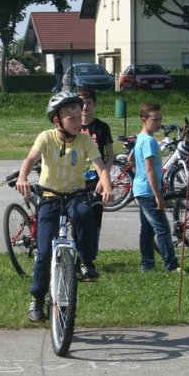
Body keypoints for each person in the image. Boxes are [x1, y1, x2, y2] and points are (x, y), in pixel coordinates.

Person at [16, 91, 112, 322]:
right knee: (43, 253)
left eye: (80, 117)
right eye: (72, 118)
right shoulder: (46, 137)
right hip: (49, 196)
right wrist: (22, 177)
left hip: (75, 194)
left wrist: (107, 185)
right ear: (57, 121)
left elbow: (100, 166)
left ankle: (87, 261)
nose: (79, 122)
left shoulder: (85, 140)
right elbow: (30, 159)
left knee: (84, 213)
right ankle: (38, 298)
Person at [132, 102, 180, 273]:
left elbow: (130, 159)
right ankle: (171, 265)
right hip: (148, 191)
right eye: (154, 119)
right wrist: (158, 196)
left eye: (160, 119)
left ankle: (147, 264)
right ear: (143, 120)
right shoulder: (149, 141)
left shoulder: (140, 138)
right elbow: (150, 170)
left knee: (147, 230)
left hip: (140, 189)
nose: (159, 123)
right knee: (163, 229)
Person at [77, 86, 113, 255]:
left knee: (95, 218)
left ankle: (91, 254)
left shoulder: (102, 127)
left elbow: (110, 156)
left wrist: (103, 180)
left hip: (96, 180)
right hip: (76, 181)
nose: (85, 107)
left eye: (89, 103)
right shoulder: (72, 126)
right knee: (77, 218)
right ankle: (78, 254)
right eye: (82, 103)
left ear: (95, 104)